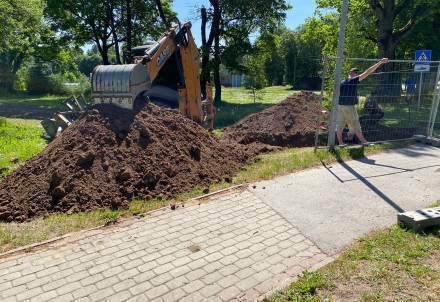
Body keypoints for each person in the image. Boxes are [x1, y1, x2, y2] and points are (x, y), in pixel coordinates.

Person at [336, 58, 389, 146]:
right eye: (356, 73)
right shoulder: (353, 80)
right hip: (348, 106)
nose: (358, 74)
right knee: (356, 123)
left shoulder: (343, 82)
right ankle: (364, 142)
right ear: (353, 73)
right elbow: (368, 72)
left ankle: (341, 142)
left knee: (341, 124)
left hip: (340, 106)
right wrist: (380, 62)